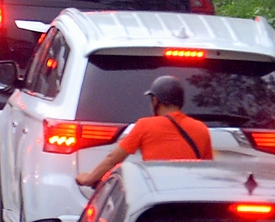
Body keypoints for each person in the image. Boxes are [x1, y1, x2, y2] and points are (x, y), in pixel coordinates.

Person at [75, 75, 213, 186]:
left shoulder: (145, 125)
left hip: (158, 193)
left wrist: (88, 179)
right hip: (189, 196)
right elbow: (208, 169)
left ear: (155, 101)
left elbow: (113, 159)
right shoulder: (201, 128)